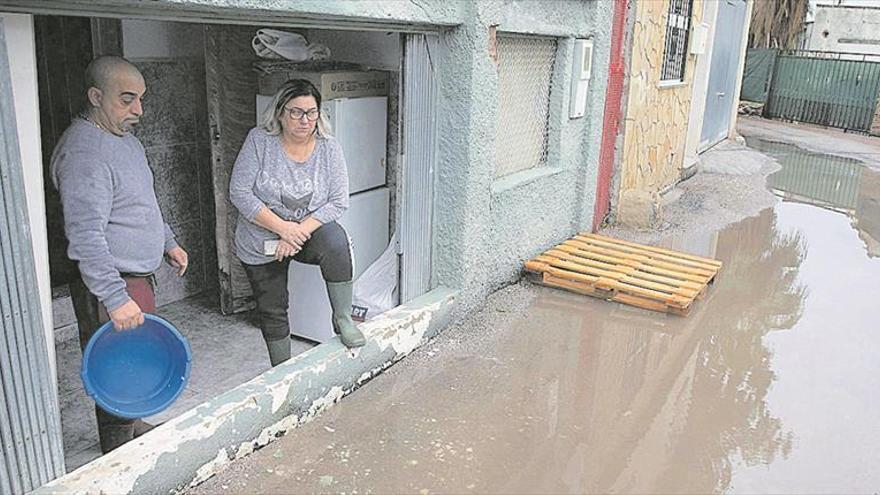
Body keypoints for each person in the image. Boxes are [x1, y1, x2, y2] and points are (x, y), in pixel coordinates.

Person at [51, 55, 189, 453]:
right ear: (96, 96)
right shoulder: (84, 152)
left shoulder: (124, 141)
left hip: (136, 279)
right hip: (110, 282)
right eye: (127, 99)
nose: (139, 111)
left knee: (136, 364)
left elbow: (142, 202)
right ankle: (118, 454)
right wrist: (114, 297)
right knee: (117, 372)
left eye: (141, 99)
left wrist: (168, 242)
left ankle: (132, 426)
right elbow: (85, 236)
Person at [229, 78, 365, 366]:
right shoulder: (259, 141)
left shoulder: (329, 148)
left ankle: (342, 318)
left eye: (311, 112)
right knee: (273, 306)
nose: (305, 120)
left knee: (336, 241)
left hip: (304, 233)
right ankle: (283, 370)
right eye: (296, 112)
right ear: (280, 113)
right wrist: (282, 229)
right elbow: (238, 192)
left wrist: (296, 233)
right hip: (261, 238)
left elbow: (339, 201)